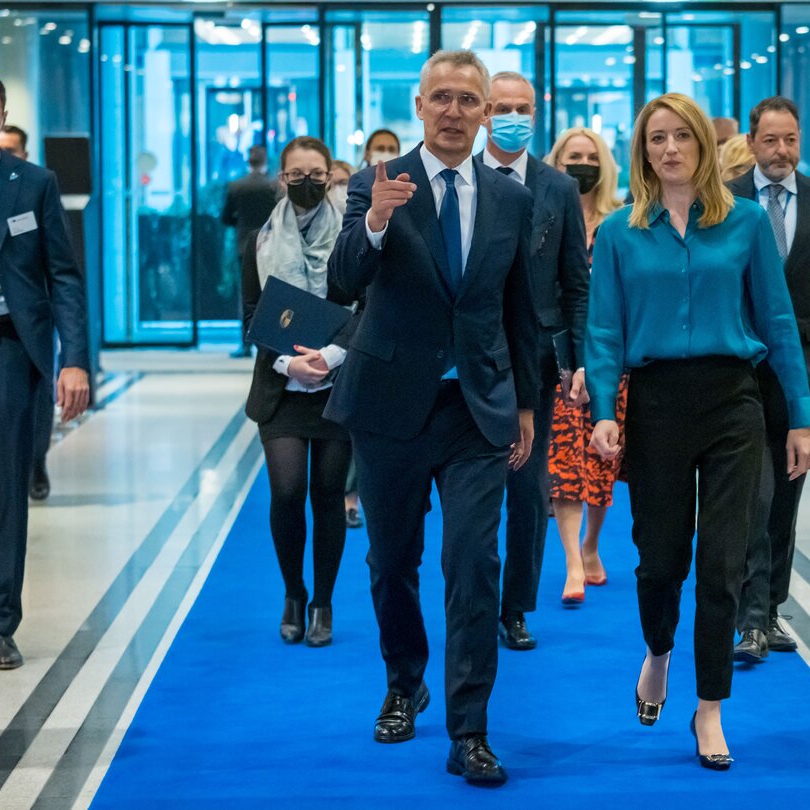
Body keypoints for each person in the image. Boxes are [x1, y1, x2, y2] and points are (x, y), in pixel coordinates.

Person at [325, 49, 537, 787]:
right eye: (440, 98)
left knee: (474, 565)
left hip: (476, 409)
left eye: (467, 100)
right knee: (392, 564)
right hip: (388, 410)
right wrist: (376, 223)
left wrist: (528, 404)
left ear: (485, 113)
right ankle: (401, 681)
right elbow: (343, 277)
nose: (453, 111)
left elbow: (519, 311)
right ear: (418, 106)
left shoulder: (510, 199)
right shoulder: (373, 184)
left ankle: (469, 729)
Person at [588, 92, 810, 770]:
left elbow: (778, 322)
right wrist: (603, 408)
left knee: (723, 562)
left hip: (731, 403)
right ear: (642, 152)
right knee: (660, 559)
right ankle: (657, 652)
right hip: (656, 403)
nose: (668, 149)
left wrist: (800, 414)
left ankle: (710, 708)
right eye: (655, 139)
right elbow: (602, 330)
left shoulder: (744, 224)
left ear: (703, 147)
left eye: (680, 137)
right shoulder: (620, 232)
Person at [0, 71, 91, 669]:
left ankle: (2, 623)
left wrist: (75, 361)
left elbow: (63, 274)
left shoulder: (32, 182)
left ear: (3, 118)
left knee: (8, 491)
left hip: (9, 347)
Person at [727, 96, 810, 660]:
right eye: (770, 140)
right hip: (740, 368)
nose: (780, 151)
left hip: (805, 367)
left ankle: (771, 607)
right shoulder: (727, 198)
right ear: (752, 142)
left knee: (785, 495)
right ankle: (750, 618)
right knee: (752, 496)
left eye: (790, 140)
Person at [480, 71, 589, 648]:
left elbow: (575, 284)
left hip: (538, 361)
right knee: (474, 488)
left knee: (527, 486)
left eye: (523, 107)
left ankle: (515, 607)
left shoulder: (559, 189)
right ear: (485, 114)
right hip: (472, 356)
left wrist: (578, 361)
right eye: (503, 107)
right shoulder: (465, 182)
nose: (513, 116)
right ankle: (473, 600)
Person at [241, 136, 353, 649]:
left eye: (316, 173)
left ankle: (323, 602)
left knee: (328, 495)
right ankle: (292, 591)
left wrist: (329, 359)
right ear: (281, 179)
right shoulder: (259, 242)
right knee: (287, 492)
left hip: (338, 386)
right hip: (281, 388)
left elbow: (369, 308)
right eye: (295, 174)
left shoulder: (352, 238)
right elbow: (250, 319)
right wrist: (290, 362)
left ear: (330, 175)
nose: (306, 182)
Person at [543, 126, 625, 603]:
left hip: (614, 357)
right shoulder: (546, 217)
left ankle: (592, 544)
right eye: (572, 156)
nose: (581, 165)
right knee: (566, 461)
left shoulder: (622, 220)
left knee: (602, 459)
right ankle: (574, 561)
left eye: (590, 157)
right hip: (561, 356)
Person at [0, 124, 56, 502]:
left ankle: (36, 461)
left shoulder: (35, 189)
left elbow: (58, 263)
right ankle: (2, 483)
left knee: (36, 401)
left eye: (12, 150)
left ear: (24, 154)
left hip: (30, 318)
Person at [326, 158, 365, 532]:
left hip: (354, 346)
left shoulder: (362, 230)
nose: (337, 189)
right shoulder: (272, 238)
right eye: (331, 183)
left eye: (343, 182)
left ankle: (350, 497)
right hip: (301, 360)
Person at [222, 144, 278, 359]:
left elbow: (226, 218)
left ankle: (245, 343)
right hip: (271, 244)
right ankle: (268, 342)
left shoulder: (236, 186)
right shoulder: (272, 186)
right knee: (270, 294)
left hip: (244, 245)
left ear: (248, 160)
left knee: (246, 296)